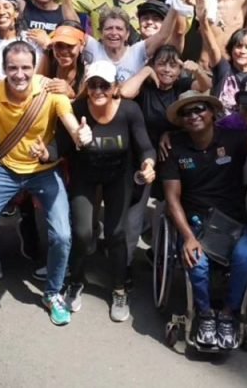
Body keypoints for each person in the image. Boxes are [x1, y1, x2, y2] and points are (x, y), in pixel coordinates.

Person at [0, 41, 92, 326]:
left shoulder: (50, 91)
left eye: (26, 67)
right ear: (4, 69)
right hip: (6, 170)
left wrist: (82, 136)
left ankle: (52, 292)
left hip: (45, 170)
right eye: (13, 68)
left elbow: (70, 126)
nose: (19, 74)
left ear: (35, 67)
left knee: (62, 236)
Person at [163, 89, 247, 349]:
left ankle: (228, 314)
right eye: (187, 112)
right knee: (197, 260)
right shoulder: (174, 147)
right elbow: (172, 198)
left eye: (199, 109)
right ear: (181, 120)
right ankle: (203, 314)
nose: (193, 115)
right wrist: (188, 237)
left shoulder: (234, 140)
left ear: (212, 113)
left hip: (233, 221)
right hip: (196, 222)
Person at [61, 61, 155, 323]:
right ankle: (75, 281)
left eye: (105, 85)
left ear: (115, 87)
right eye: (93, 84)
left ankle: (119, 288)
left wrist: (149, 164)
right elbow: (59, 147)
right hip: (85, 176)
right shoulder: (77, 109)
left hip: (118, 177)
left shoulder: (129, 110)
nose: (98, 90)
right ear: (86, 87)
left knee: (116, 234)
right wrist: (46, 153)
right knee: (81, 233)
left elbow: (146, 148)